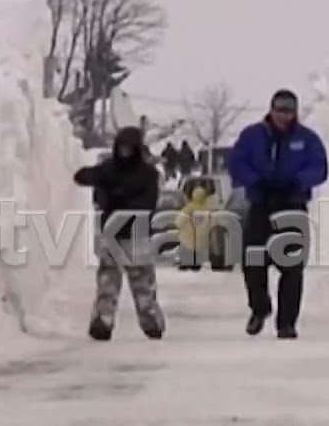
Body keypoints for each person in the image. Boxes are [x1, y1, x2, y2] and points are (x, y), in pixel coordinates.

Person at [226, 88, 328, 339]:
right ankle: (260, 308)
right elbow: (237, 163)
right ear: (271, 110)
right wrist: (256, 182)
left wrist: (297, 182)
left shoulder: (307, 139)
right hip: (262, 205)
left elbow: (319, 168)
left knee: (292, 267)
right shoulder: (252, 136)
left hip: (292, 207)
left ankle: (287, 323)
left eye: (289, 111)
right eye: (280, 110)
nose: (284, 116)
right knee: (253, 261)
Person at [72, 125, 166, 342]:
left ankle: (151, 320)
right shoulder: (108, 169)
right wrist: (93, 178)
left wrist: (120, 199)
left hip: (136, 233)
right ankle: (102, 322)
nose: (124, 151)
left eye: (128, 148)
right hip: (111, 234)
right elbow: (83, 176)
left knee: (142, 282)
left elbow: (148, 203)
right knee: (108, 282)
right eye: (121, 147)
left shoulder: (147, 174)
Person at [175, 184, 219, 271]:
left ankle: (185, 263)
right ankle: (196, 264)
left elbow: (179, 221)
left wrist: (179, 228)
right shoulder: (208, 209)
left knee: (186, 249)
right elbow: (214, 223)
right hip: (201, 238)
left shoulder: (188, 208)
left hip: (188, 236)